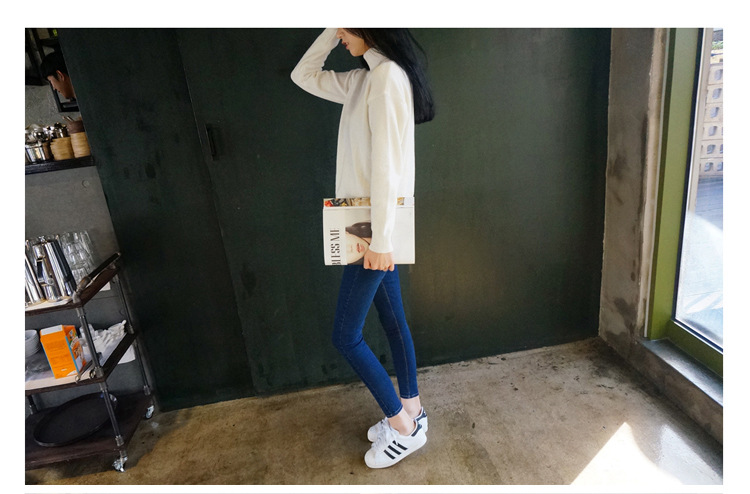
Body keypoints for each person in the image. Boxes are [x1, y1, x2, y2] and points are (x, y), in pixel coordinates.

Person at [291, 28, 435, 469]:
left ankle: (403, 428)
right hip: (370, 228)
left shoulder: (388, 76)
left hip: (373, 233)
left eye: (346, 23)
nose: (340, 32)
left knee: (345, 335)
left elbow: (389, 166)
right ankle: (412, 411)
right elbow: (303, 75)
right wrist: (332, 30)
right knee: (393, 321)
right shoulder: (363, 80)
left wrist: (382, 241)